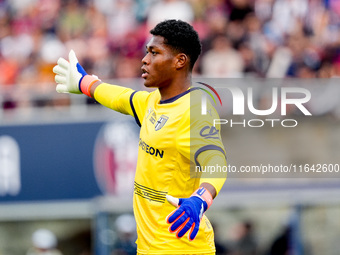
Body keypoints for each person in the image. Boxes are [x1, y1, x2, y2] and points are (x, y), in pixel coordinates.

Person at [53, 19, 227, 254]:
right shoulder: (154, 102)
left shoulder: (194, 111)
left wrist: (200, 199)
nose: (145, 60)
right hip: (149, 247)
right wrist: (85, 83)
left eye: (155, 53)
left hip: (181, 248)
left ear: (179, 61)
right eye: (147, 52)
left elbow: (216, 162)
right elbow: (122, 98)